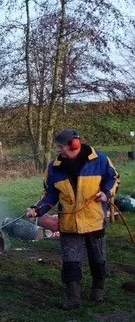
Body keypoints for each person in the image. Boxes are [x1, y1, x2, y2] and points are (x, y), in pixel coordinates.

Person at [26, 129, 120, 310]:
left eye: (61, 147)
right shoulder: (54, 167)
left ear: (74, 144)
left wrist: (106, 193)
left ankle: (98, 289)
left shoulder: (99, 160)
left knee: (97, 258)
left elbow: (113, 178)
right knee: (71, 260)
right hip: (69, 223)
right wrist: (37, 210)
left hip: (94, 219)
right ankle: (73, 297)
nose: (59, 150)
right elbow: (50, 195)